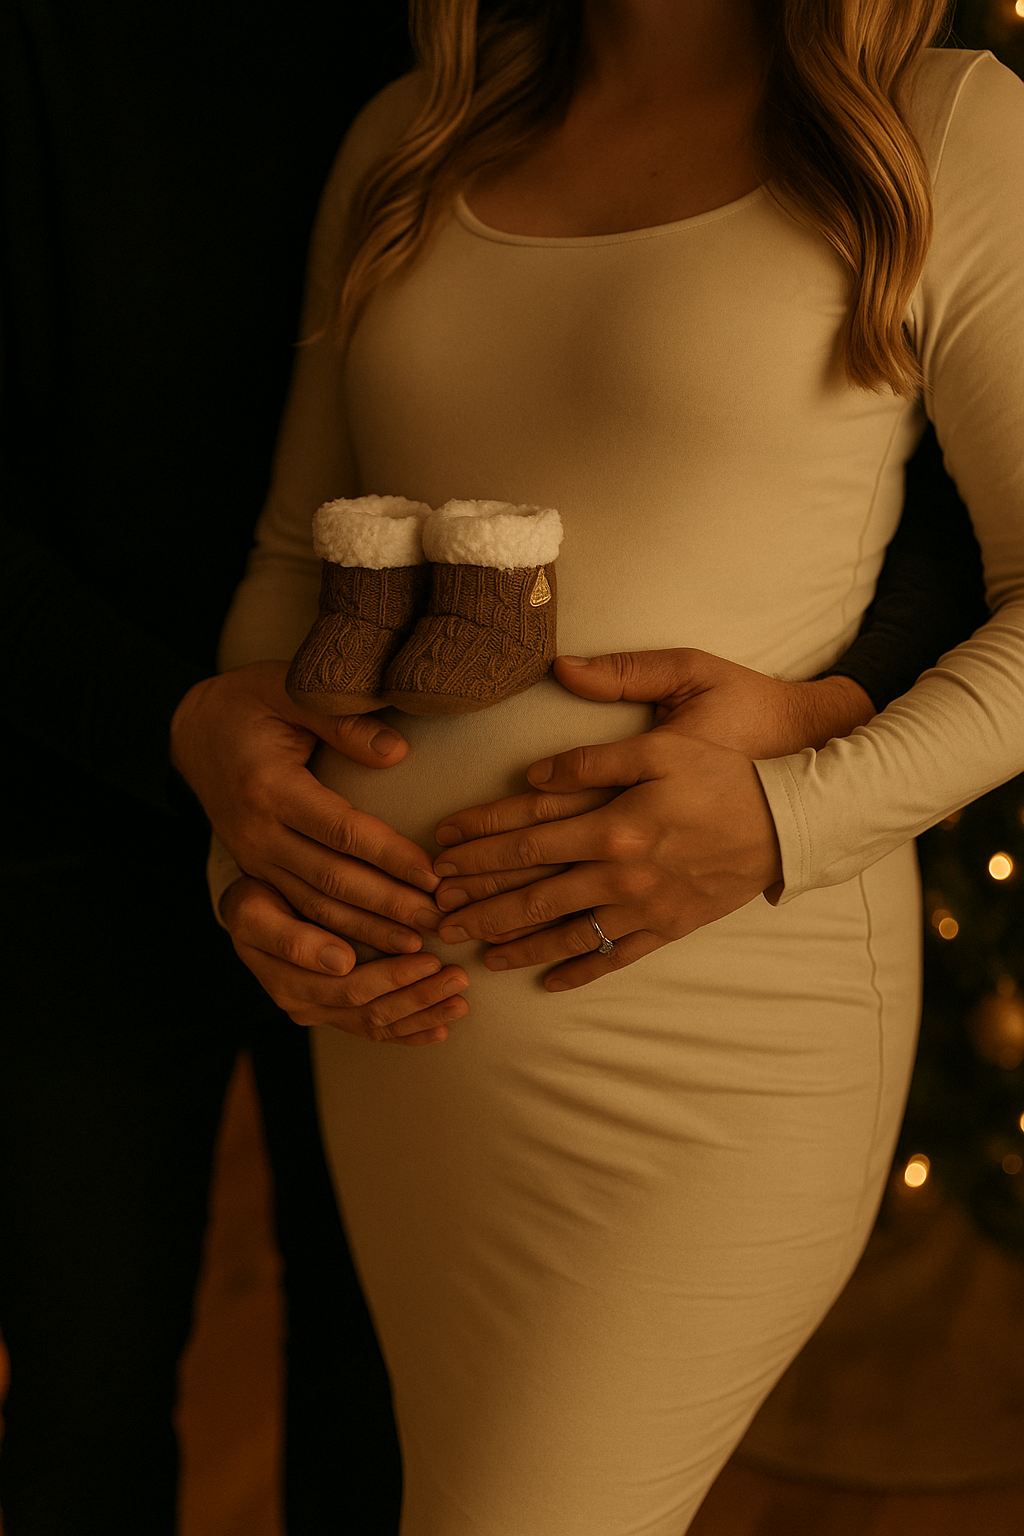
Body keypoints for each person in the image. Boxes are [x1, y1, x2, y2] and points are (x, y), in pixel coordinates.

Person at [173, 1, 1024, 1531]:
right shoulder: (411, 131)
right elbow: (302, 565)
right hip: (400, 1034)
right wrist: (257, 861)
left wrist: (779, 819)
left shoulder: (946, 122)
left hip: (712, 1034)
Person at [0, 4, 414, 1531]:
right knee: (82, 1395)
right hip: (58, 806)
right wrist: (174, 723)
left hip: (405, 819)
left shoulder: (499, 33)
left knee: (382, 1387)